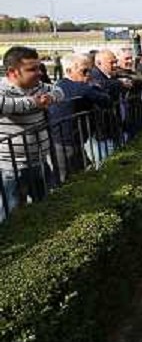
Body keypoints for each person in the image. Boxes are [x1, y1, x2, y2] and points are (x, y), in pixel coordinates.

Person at [0, 46, 65, 219]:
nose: (38, 73)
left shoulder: (39, 86)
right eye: (31, 69)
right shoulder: (2, 89)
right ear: (12, 72)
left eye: (38, 67)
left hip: (39, 162)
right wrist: (33, 103)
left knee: (45, 210)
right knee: (11, 216)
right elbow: (2, 105)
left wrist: (50, 98)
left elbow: (59, 91)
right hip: (11, 168)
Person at [48, 53, 111, 182]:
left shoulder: (61, 84)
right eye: (84, 71)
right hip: (66, 142)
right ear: (69, 71)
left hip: (69, 139)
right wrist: (94, 87)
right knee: (64, 181)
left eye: (90, 70)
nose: (89, 74)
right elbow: (106, 100)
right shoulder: (79, 88)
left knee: (82, 174)